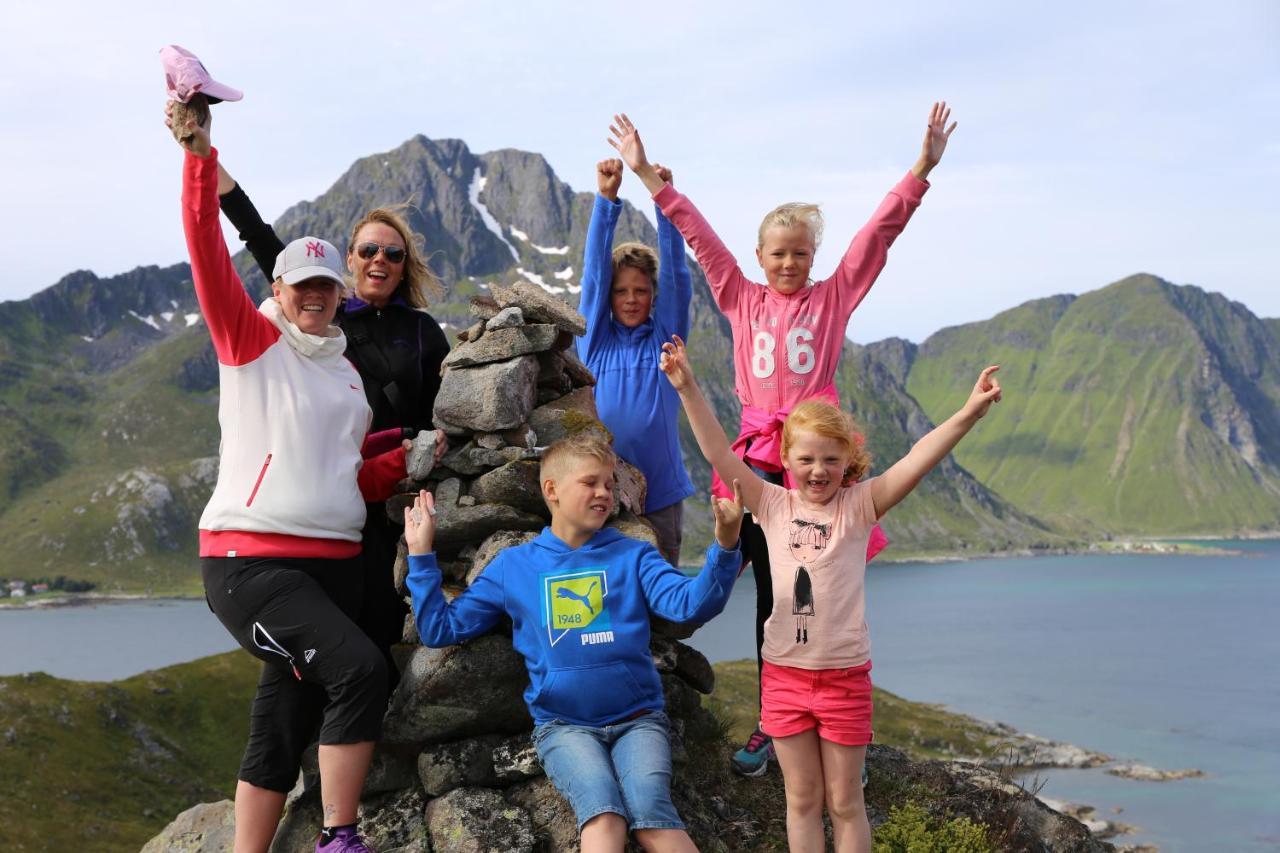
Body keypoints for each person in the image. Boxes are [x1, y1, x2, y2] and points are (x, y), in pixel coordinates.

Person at [609, 105, 957, 774]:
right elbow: (698, 235)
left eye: (801, 252)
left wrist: (921, 170)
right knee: (715, 578)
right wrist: (649, 177)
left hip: (806, 474)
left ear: (813, 256)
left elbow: (877, 237)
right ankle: (640, 679)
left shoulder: (835, 297)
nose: (791, 262)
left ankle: (777, 724)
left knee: (784, 596)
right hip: (748, 465)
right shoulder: (740, 296)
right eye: (779, 252)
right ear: (760, 256)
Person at [659, 334, 1000, 853]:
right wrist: (686, 386)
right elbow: (715, 449)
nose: (818, 470)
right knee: (801, 799)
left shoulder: (860, 506)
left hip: (844, 678)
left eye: (830, 460)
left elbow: (918, 458)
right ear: (786, 459)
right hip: (784, 675)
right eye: (806, 459)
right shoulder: (768, 503)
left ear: (847, 462)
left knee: (845, 802)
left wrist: (969, 414)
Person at [172, 105, 406, 853]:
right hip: (255, 565)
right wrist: (199, 160)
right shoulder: (252, 341)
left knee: (283, 716)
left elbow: (350, 477)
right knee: (363, 672)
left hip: (331, 569)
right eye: (301, 282)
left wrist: (404, 463)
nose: (314, 293)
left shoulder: (345, 374)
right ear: (279, 285)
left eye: (325, 285)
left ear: (341, 293)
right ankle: (341, 835)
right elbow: (209, 252)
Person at [170, 95, 452, 687]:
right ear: (349, 261)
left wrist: (418, 456)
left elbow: (447, 410)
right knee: (328, 654)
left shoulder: (423, 332)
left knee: (378, 634)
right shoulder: (319, 319)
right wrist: (205, 159)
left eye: (393, 253)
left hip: (391, 500)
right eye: (369, 250)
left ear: (405, 266)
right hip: (329, 514)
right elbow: (258, 236)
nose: (380, 259)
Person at [402, 433, 745, 853]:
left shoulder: (632, 554)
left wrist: (725, 547)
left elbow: (690, 606)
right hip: (564, 727)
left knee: (652, 814)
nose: (604, 492)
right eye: (590, 482)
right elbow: (442, 630)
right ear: (552, 490)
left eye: (609, 483)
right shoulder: (515, 566)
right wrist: (420, 557)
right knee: (603, 815)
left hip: (638, 719)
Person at [575, 157, 694, 565]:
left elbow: (676, 274)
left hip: (660, 496)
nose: (629, 298)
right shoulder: (594, 344)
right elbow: (593, 277)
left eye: (640, 291)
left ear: (653, 296)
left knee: (661, 612)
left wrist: (665, 204)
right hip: (601, 494)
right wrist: (606, 200)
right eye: (621, 290)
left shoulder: (666, 342)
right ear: (610, 297)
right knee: (611, 601)